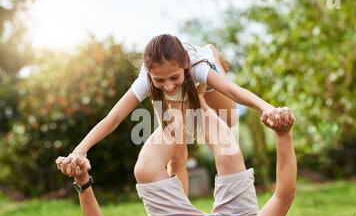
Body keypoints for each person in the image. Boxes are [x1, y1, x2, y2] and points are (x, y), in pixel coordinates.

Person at [55, 99, 297, 216]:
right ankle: (198, 96)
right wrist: (283, 134)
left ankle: (179, 110)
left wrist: (83, 180)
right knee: (228, 153)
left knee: (146, 169)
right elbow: (283, 194)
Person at [61, 34, 276, 195]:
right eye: (160, 80)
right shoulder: (148, 80)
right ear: (150, 73)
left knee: (229, 120)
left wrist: (267, 107)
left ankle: (209, 63)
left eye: (173, 77)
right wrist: (80, 150)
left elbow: (233, 91)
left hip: (203, 77)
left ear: (183, 66)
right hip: (169, 97)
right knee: (176, 151)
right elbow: (113, 118)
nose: (169, 85)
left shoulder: (198, 65)